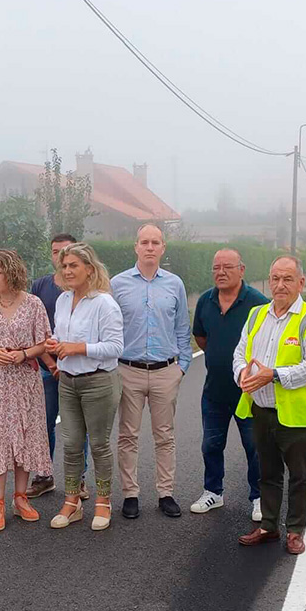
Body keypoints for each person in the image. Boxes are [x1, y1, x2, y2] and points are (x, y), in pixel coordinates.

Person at [232, 255, 306, 556]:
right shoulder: (256, 316)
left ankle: (295, 531)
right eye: (275, 278)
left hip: (299, 416)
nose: (280, 285)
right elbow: (240, 353)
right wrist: (243, 374)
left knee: (300, 476)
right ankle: (268, 525)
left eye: (287, 279)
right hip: (261, 411)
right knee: (268, 473)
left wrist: (273, 375)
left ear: (301, 283)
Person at [110, 223, 191, 520]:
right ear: (135, 246)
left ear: (163, 248)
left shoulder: (175, 284)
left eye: (155, 242)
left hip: (165, 371)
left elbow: (182, 327)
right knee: (128, 435)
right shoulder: (117, 284)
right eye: (144, 242)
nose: (149, 247)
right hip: (127, 370)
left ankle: (165, 493)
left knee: (164, 436)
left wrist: (181, 367)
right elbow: (109, 326)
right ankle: (130, 494)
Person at [0, 249, 53, 532]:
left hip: (25, 379)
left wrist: (24, 353)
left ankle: (20, 499)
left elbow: (45, 341)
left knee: (26, 436)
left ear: (12, 272)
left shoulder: (33, 304)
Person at [44, 243, 124, 531]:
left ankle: (103, 502)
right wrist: (54, 343)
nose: (67, 271)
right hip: (67, 381)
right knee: (72, 444)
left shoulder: (104, 303)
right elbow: (59, 335)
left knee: (100, 445)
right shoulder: (64, 300)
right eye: (64, 266)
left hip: (99, 382)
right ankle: (72, 501)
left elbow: (116, 346)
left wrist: (76, 348)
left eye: (73, 265)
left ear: (89, 269)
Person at [190, 248, 268, 520]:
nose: (220, 272)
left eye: (227, 267)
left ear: (241, 270)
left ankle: (259, 497)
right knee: (211, 445)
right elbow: (201, 339)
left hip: (250, 393)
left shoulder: (258, 303)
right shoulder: (205, 301)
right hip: (214, 391)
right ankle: (213, 491)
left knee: (255, 447)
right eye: (216, 267)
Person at [27, 232, 89, 500]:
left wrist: (66, 362)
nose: (61, 257)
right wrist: (51, 364)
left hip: (78, 368)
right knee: (44, 423)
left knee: (79, 426)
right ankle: (44, 475)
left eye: (67, 251)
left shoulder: (87, 290)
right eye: (56, 252)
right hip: (46, 368)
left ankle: (80, 480)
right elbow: (33, 330)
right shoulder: (40, 286)